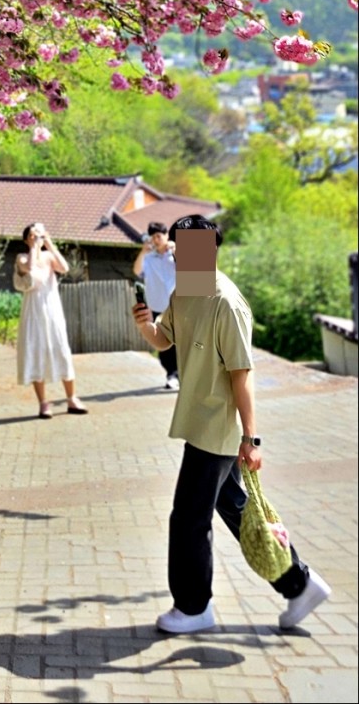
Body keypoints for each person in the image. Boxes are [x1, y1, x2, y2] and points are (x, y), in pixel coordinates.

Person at [132, 215, 331, 636]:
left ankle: (193, 607)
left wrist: (250, 438)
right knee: (233, 509)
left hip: (219, 429)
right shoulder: (184, 290)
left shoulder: (227, 301)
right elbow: (164, 339)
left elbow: (242, 373)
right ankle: (299, 583)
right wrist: (144, 326)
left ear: (213, 250)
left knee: (188, 518)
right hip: (198, 422)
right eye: (181, 247)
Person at [14, 222, 87, 416]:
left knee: (61, 349)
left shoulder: (48, 257)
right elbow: (29, 268)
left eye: (38, 233)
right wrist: (33, 248)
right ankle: (43, 403)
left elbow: (64, 268)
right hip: (34, 311)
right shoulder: (21, 257)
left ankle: (72, 398)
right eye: (31, 235)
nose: (36, 237)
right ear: (25, 239)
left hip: (52, 308)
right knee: (36, 351)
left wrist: (49, 243)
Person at [133, 221, 179, 391]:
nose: (157, 239)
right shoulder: (149, 258)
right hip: (158, 305)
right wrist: (143, 252)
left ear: (167, 236)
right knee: (164, 343)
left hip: (179, 304)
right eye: (153, 237)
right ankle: (172, 374)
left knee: (183, 341)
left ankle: (184, 374)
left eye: (159, 236)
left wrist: (176, 251)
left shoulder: (174, 253)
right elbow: (137, 271)